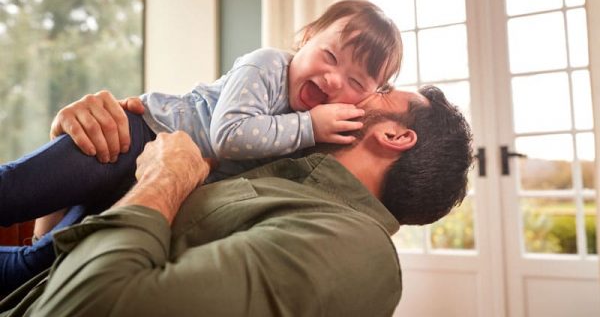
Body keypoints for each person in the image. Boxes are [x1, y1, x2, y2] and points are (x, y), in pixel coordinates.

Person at [0, 0, 402, 293]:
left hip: (153, 186)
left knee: (37, 266)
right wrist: (309, 125)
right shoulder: (266, 67)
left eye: (356, 83)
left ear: (367, 98)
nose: (334, 81)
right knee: (13, 192)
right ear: (307, 39)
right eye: (329, 56)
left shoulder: (319, 135)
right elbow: (229, 135)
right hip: (137, 136)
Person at [0, 85, 473, 316]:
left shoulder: (352, 248)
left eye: (383, 92)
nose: (359, 90)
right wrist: (81, 150)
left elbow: (87, 306)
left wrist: (163, 181)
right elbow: (53, 270)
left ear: (393, 135)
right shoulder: (275, 183)